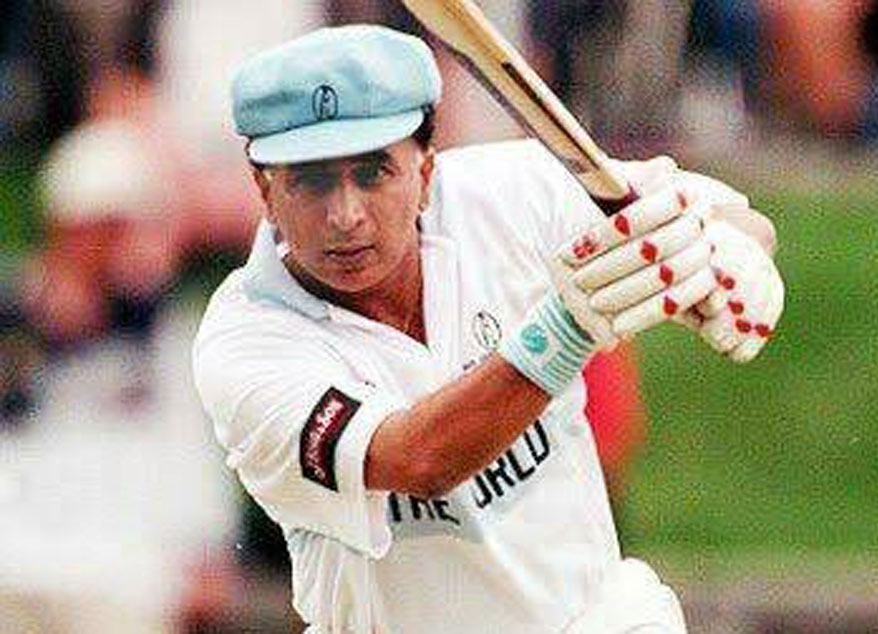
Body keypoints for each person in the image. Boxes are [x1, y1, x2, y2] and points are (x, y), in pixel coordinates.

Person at [192, 25, 784, 634]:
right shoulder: (246, 342)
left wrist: (726, 250)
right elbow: (418, 459)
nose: (345, 215)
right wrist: (568, 329)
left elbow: (718, 213)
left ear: (425, 170)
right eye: (311, 181)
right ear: (265, 189)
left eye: (373, 173)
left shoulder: (514, 190)